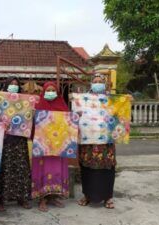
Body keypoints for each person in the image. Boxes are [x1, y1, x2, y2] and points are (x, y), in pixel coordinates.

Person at [77, 74, 116, 209]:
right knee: (88, 168)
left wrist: (127, 101)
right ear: (91, 84)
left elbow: (119, 114)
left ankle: (107, 197)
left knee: (106, 168)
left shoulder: (111, 99)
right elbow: (75, 115)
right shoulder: (82, 100)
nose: (97, 83)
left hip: (105, 143)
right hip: (88, 142)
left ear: (104, 84)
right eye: (95, 81)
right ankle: (87, 195)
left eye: (100, 82)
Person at [0, 77, 32, 211]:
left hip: (20, 139)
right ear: (5, 86)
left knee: (21, 169)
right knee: (4, 169)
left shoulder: (24, 101)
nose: (13, 86)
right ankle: (1, 200)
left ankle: (22, 198)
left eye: (16, 84)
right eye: (11, 84)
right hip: (4, 140)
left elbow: (29, 114)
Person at [32, 82, 70, 212]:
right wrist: (32, 115)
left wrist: (76, 116)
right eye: (48, 90)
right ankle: (42, 199)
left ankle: (53, 196)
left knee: (56, 170)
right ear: (43, 91)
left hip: (58, 146)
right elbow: (33, 125)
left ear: (58, 92)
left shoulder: (62, 105)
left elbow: (68, 122)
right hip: (43, 147)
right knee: (43, 170)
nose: (50, 92)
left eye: (53, 90)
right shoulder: (38, 105)